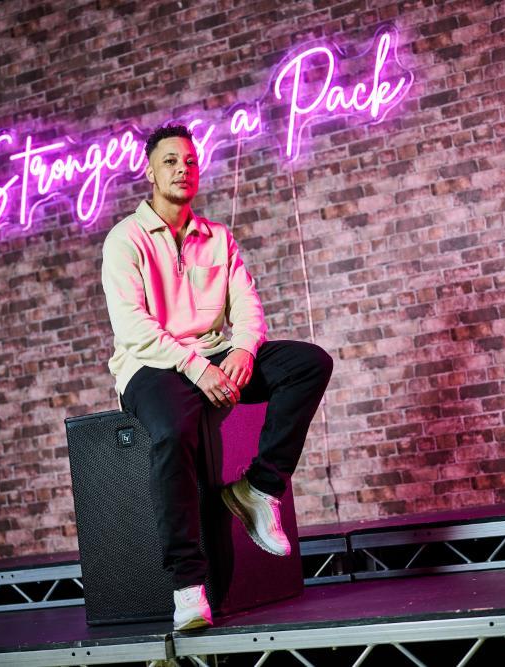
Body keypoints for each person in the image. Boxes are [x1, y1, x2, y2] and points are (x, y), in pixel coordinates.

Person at [100, 124, 333, 631]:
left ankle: (259, 489)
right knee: (173, 433)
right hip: (152, 364)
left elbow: (247, 306)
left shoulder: (218, 238)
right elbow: (133, 326)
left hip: (214, 353)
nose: (181, 169)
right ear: (149, 172)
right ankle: (188, 586)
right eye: (169, 162)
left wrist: (245, 351)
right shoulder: (125, 239)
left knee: (309, 364)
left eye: (189, 161)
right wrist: (196, 366)